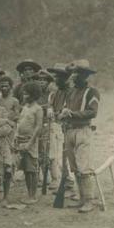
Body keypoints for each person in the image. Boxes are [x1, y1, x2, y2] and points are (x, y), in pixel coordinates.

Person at [58, 60, 100, 213]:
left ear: (86, 75)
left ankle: (89, 200)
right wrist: (63, 114)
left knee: (84, 167)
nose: (75, 75)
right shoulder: (70, 92)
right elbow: (64, 108)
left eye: (79, 73)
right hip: (69, 131)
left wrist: (73, 114)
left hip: (83, 130)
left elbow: (93, 112)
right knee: (74, 166)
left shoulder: (92, 92)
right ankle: (82, 198)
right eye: (74, 72)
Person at [47, 63, 75, 191]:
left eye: (58, 77)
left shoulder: (71, 92)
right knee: (58, 157)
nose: (55, 79)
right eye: (55, 77)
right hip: (57, 128)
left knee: (68, 158)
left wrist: (59, 114)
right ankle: (65, 181)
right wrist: (50, 109)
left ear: (65, 77)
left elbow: (68, 111)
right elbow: (51, 105)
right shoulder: (56, 93)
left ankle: (70, 183)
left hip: (69, 129)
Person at [15, 81, 43, 205]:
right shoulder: (25, 107)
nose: (24, 96)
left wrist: (30, 143)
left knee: (32, 169)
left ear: (33, 95)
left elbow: (38, 127)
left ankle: (33, 195)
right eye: (23, 94)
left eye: (26, 94)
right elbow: (19, 122)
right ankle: (29, 193)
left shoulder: (38, 109)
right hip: (21, 140)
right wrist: (16, 135)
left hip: (30, 142)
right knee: (26, 169)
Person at [36, 70, 59, 189]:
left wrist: (45, 108)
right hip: (37, 125)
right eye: (39, 80)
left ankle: (55, 178)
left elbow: (54, 109)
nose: (41, 82)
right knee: (40, 152)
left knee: (50, 152)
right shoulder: (35, 94)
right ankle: (44, 177)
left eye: (44, 80)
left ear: (48, 82)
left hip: (49, 124)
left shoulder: (52, 94)